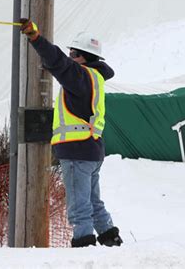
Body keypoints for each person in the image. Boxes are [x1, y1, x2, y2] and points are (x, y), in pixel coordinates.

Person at [20, 19, 123, 248]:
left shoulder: (81, 77)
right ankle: (110, 239)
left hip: (77, 151)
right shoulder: (95, 78)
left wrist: (35, 38)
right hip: (91, 150)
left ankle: (84, 246)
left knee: (79, 205)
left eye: (73, 53)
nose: (69, 57)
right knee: (92, 201)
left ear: (82, 56)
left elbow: (57, 61)